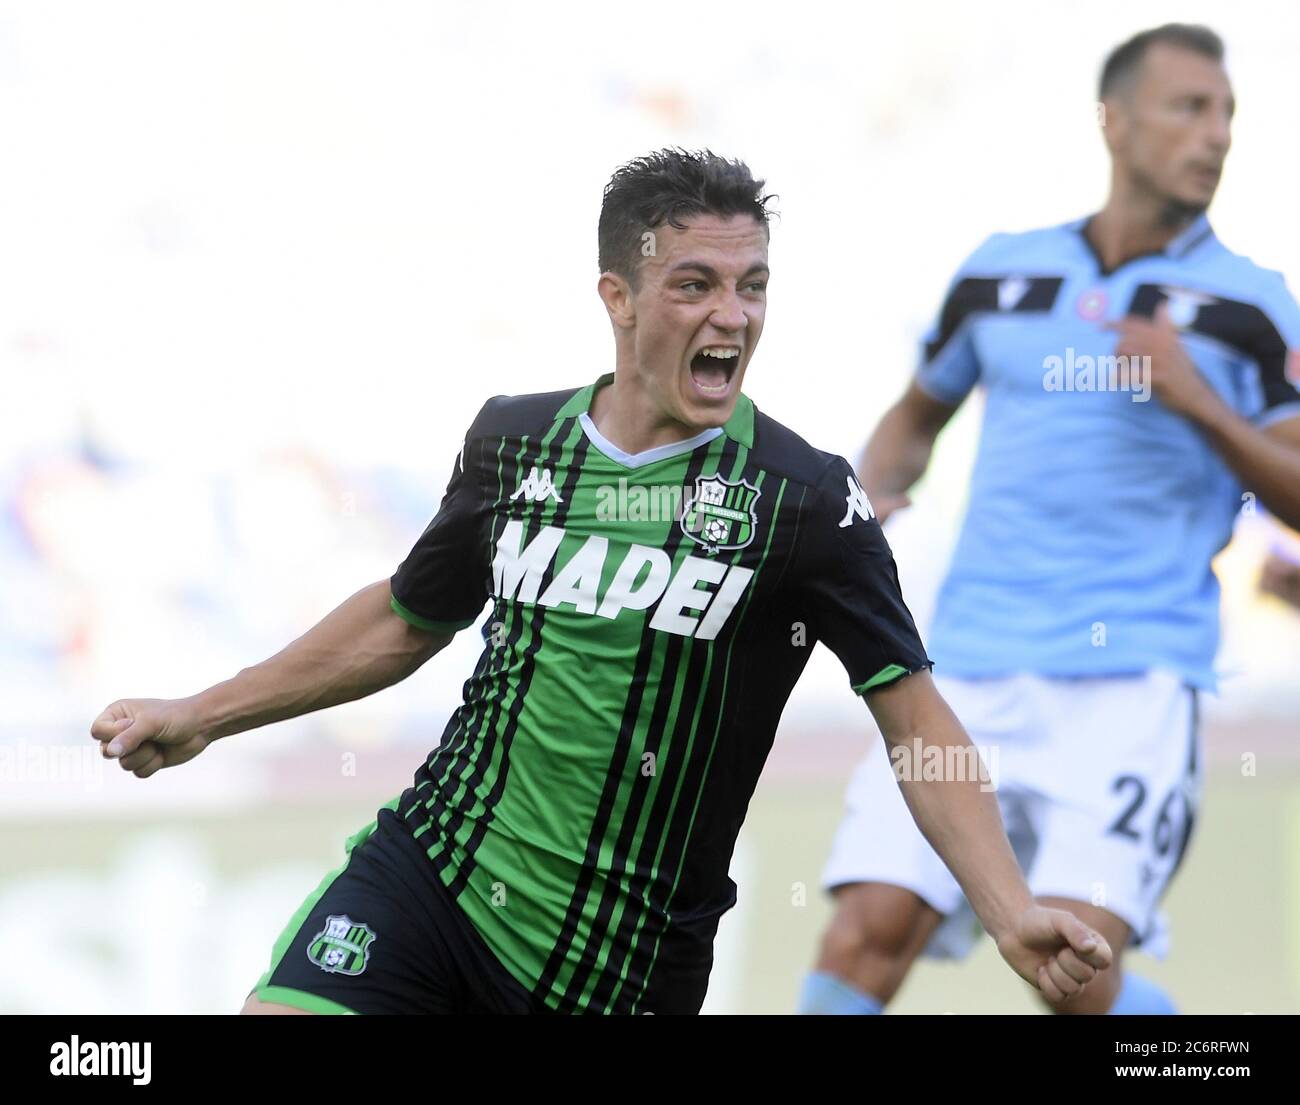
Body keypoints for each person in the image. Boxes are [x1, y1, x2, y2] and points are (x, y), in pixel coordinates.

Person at [91, 149, 1110, 1015]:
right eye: (696, 284)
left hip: (615, 966)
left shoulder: (801, 501)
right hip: (432, 873)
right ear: (616, 298)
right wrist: (206, 712)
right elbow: (407, 619)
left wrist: (1008, 905)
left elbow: (913, 717)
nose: (734, 314)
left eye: (752, 284)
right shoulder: (512, 439)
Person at [801, 24, 1300, 1015]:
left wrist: (1199, 401)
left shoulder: (1252, 305)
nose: (1216, 135)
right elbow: (911, 422)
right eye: (1189, 108)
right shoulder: (998, 274)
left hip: (1130, 684)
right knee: (865, 932)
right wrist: (854, 511)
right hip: (966, 669)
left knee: (1069, 971)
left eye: (1227, 113)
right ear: (1113, 121)